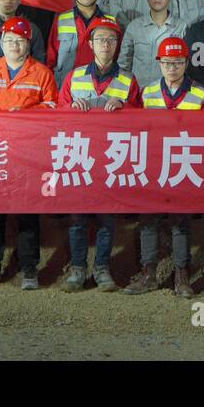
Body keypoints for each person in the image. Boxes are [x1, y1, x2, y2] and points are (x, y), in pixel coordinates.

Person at [0, 15, 58, 291]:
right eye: (9, 40)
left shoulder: (42, 73)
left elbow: (52, 110)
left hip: (27, 155)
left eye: (20, 41)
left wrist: (26, 115)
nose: (14, 46)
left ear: (28, 43)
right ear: (1, 42)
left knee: (27, 214)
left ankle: (29, 269)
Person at [128, 37, 204, 298]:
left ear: (186, 63)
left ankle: (181, 275)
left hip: (184, 166)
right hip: (154, 165)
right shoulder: (148, 92)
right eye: (167, 63)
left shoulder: (200, 92)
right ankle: (149, 273)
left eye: (177, 62)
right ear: (160, 64)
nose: (172, 68)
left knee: (180, 222)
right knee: (148, 220)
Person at [58, 18, 137, 293]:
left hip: (111, 160)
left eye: (111, 40)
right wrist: (71, 108)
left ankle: (102, 269)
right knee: (77, 217)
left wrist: (125, 106)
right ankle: (78, 269)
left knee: (107, 218)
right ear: (90, 44)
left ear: (117, 45)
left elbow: (140, 122)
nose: (106, 44)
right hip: (79, 156)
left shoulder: (127, 80)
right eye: (100, 39)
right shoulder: (73, 76)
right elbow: (56, 117)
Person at [46, 0, 119, 87]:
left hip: (100, 85)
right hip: (66, 84)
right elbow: (51, 55)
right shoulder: (61, 19)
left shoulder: (110, 21)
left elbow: (116, 56)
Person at [116, 0, 184, 90]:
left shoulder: (181, 27)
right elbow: (123, 65)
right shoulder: (134, 27)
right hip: (138, 94)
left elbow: (186, 65)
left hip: (169, 95)